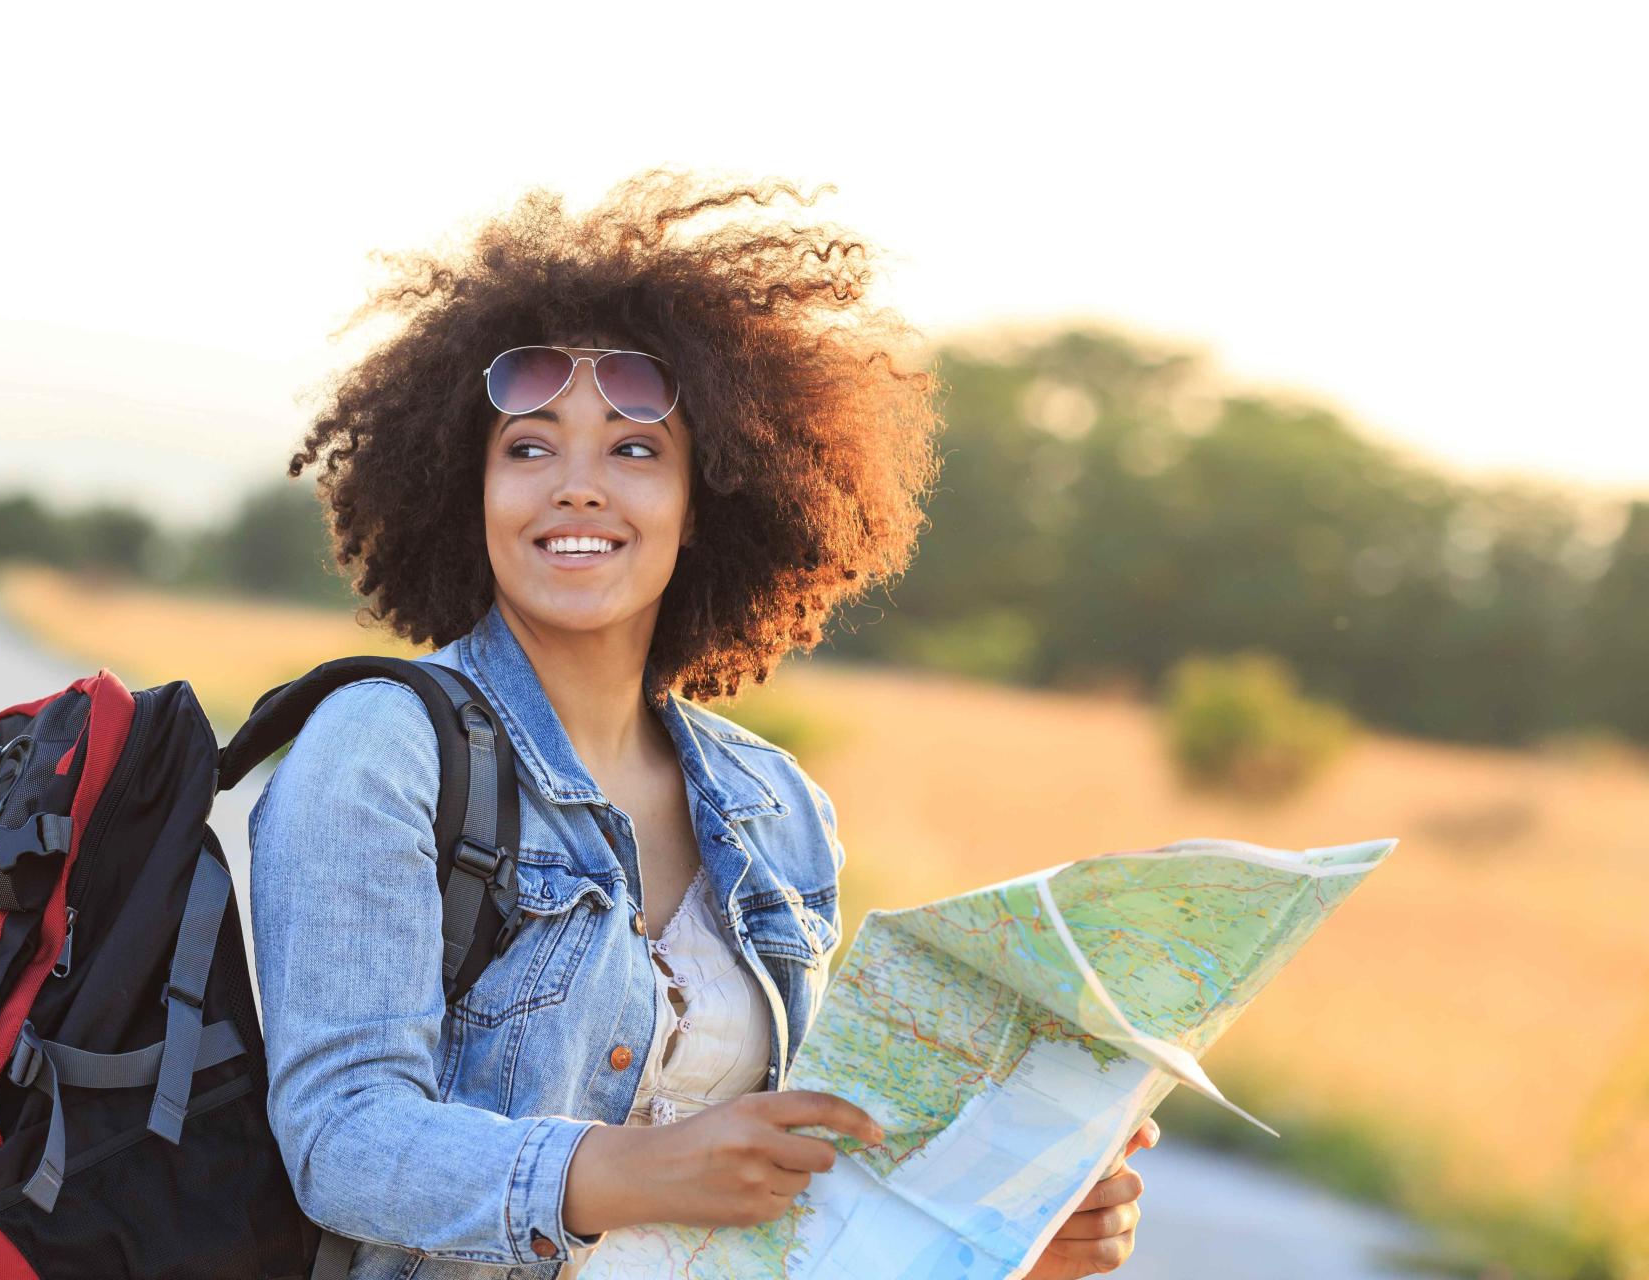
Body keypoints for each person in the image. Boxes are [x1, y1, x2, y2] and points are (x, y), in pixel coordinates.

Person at [247, 169, 1153, 1279]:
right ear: (463, 487)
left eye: (635, 449)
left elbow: (788, 1214)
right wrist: (629, 1168)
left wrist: (1004, 1231)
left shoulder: (778, 810)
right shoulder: (381, 745)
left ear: (707, 498)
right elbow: (341, 1137)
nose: (576, 486)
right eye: (528, 447)